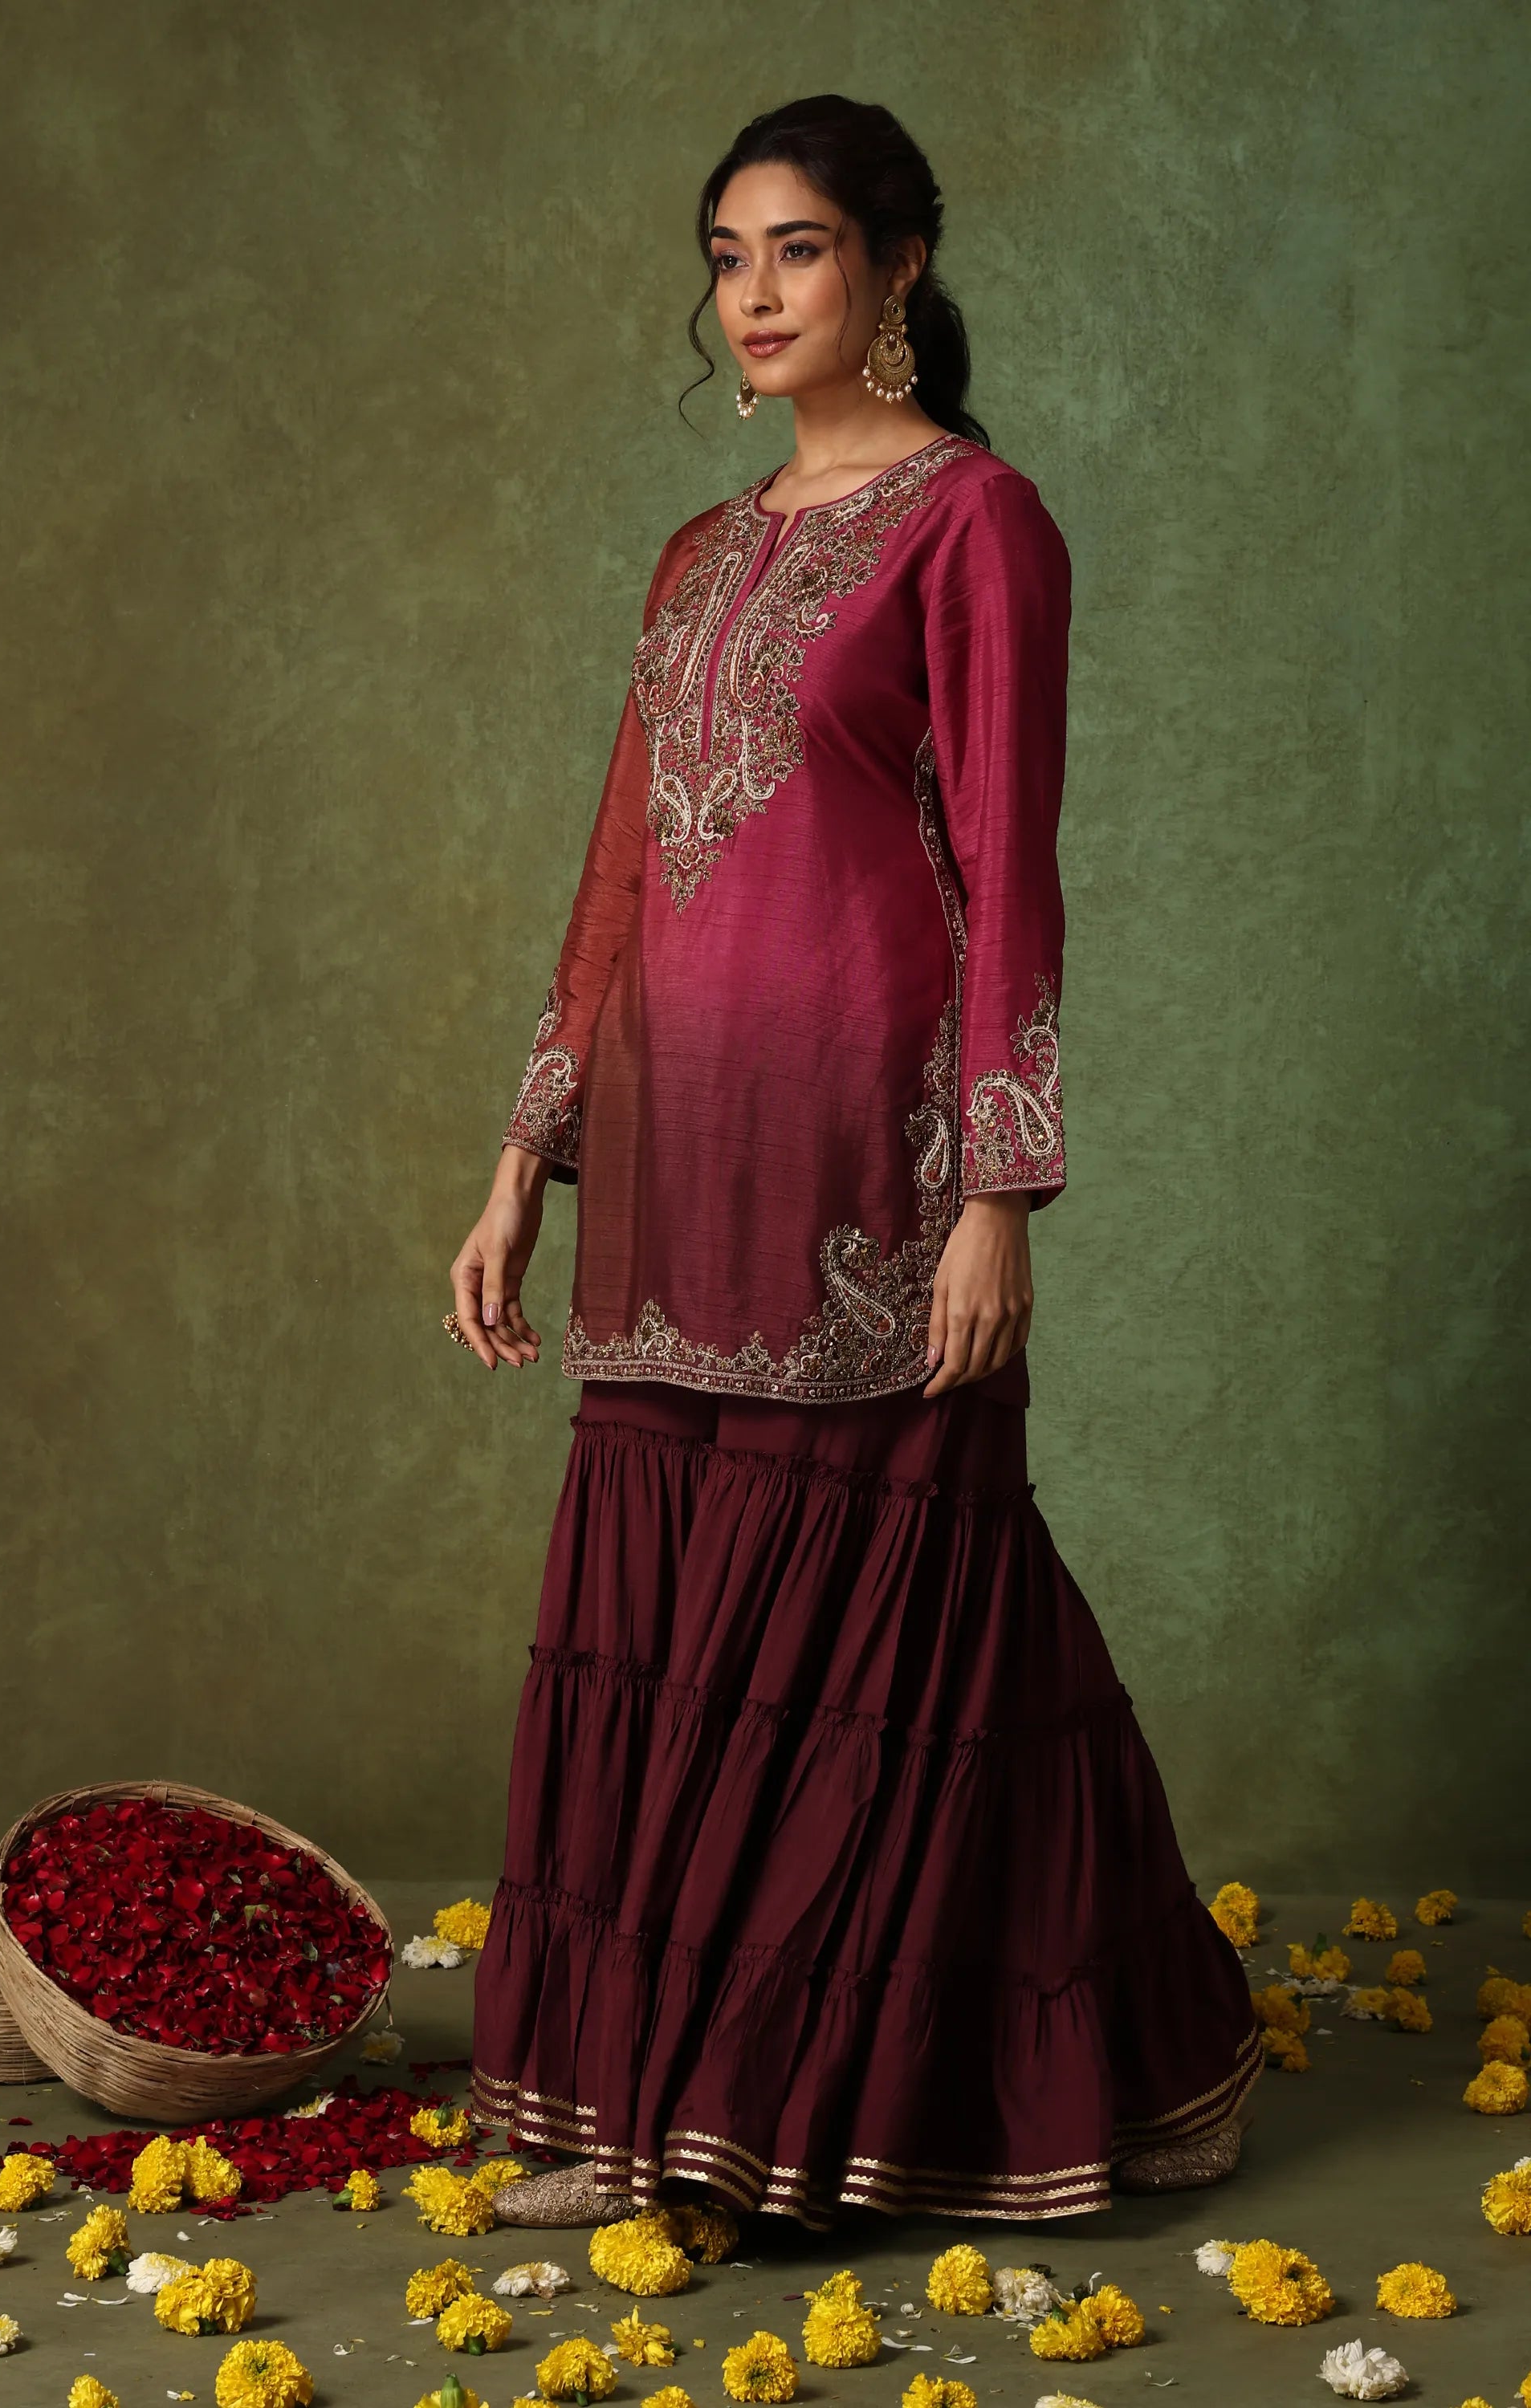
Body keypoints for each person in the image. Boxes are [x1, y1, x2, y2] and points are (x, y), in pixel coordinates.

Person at [445, 94, 1260, 2235]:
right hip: (665, 1164)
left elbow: (1010, 874)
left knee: (883, 1624)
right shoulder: (698, 554)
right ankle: (654, 2105)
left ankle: (766, 2138)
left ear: (898, 268)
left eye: (799, 249)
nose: (758, 292)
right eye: (729, 255)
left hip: (864, 1166)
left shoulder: (979, 525)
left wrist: (1003, 1182)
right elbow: (620, 869)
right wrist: (525, 1152)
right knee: (682, 1637)